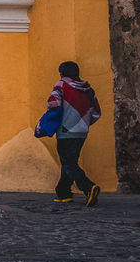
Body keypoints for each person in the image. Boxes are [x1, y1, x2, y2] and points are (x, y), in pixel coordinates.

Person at [35, 60, 101, 205]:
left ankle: (89, 187)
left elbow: (54, 104)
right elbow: (96, 112)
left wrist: (49, 123)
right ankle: (63, 192)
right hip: (82, 132)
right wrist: (83, 123)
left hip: (66, 131)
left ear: (62, 73)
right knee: (70, 162)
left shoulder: (61, 85)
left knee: (68, 163)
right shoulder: (89, 89)